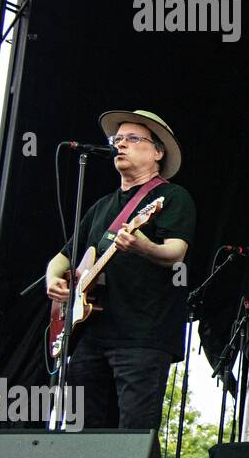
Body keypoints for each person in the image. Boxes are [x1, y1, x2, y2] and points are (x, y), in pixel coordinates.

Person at [45, 110, 196, 431]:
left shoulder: (171, 197)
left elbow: (176, 252)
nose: (120, 145)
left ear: (158, 152)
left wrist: (143, 246)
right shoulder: (100, 207)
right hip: (92, 334)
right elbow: (63, 258)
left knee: (133, 434)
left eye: (132, 139)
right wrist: (53, 279)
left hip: (142, 336)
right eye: (117, 140)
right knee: (80, 430)